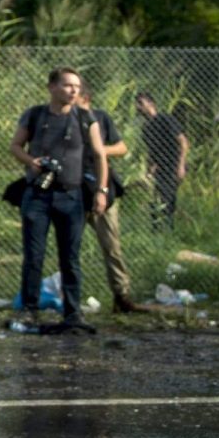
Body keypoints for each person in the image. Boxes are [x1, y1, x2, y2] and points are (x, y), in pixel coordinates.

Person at [10, 69, 109, 328]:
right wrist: (32, 162)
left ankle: (73, 312)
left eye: (77, 86)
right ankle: (29, 309)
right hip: (38, 195)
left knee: (71, 256)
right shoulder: (34, 115)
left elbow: (100, 156)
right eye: (67, 85)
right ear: (52, 87)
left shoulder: (86, 118)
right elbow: (15, 146)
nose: (74, 91)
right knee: (34, 255)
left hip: (71, 195)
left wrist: (101, 190)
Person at [77, 86, 138, 314]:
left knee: (111, 245)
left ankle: (121, 295)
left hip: (101, 188)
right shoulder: (64, 120)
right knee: (70, 246)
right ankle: (69, 298)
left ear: (86, 98)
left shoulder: (100, 118)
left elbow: (122, 148)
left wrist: (99, 149)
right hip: (74, 189)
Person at [135, 92, 187, 230]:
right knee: (155, 198)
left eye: (141, 103)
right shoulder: (146, 128)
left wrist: (181, 165)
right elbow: (150, 151)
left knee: (167, 197)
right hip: (159, 167)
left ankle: (168, 229)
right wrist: (148, 170)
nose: (138, 107)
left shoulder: (165, 119)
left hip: (173, 164)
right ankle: (156, 229)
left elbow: (183, 141)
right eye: (137, 104)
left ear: (151, 104)